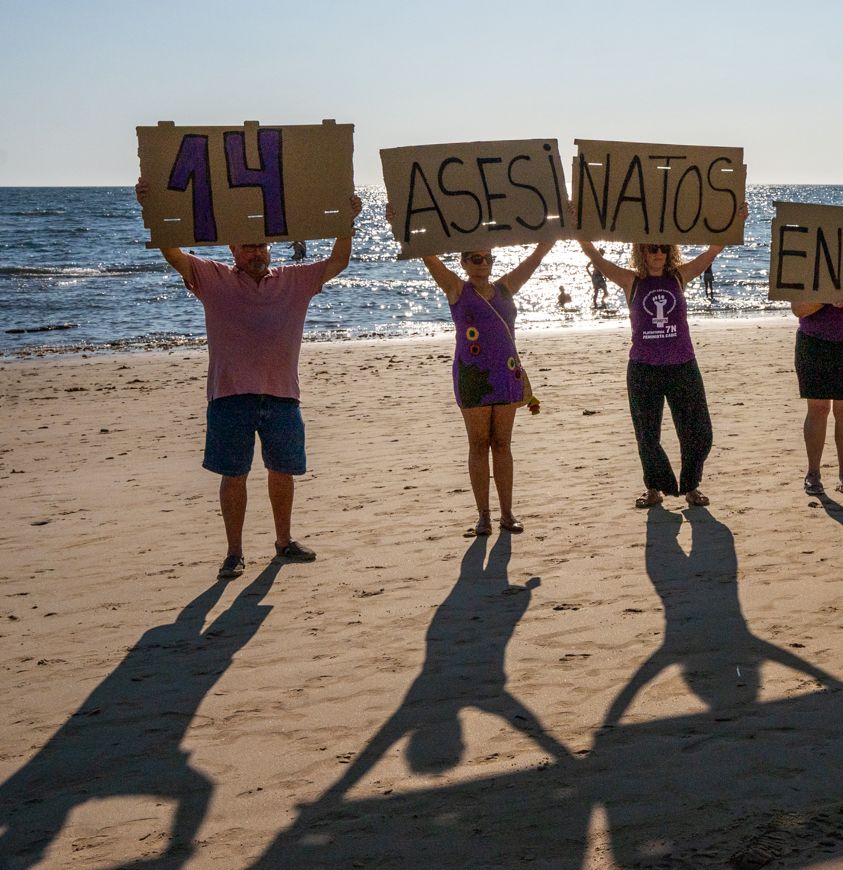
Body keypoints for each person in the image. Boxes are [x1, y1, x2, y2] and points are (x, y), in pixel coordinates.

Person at [136, 178, 360, 580]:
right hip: (229, 395)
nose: (256, 251)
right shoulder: (212, 278)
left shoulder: (294, 279)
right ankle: (234, 553)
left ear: (269, 246)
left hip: (282, 395)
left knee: (283, 472)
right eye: (247, 246)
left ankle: (284, 542)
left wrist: (347, 221)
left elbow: (338, 262)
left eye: (261, 244)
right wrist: (151, 207)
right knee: (233, 475)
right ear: (232, 250)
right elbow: (171, 251)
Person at [393, 217, 555, 536]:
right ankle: (484, 516)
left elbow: (537, 256)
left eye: (488, 258)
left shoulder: (506, 287)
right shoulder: (457, 289)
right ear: (464, 262)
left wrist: (562, 224)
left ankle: (507, 514)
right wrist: (401, 223)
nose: (483, 264)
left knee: (503, 444)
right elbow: (426, 254)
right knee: (479, 445)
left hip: (507, 375)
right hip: (473, 376)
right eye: (476, 259)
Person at [576, 211, 745, 508]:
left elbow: (713, 250)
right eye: (652, 247)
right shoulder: (631, 280)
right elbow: (593, 254)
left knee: (699, 432)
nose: (658, 252)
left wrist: (735, 219)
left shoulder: (679, 276)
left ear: (670, 250)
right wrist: (576, 222)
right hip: (644, 368)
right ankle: (654, 488)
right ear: (641, 250)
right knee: (647, 435)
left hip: (682, 365)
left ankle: (691, 486)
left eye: (663, 247)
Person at [790, 300, 843, 495]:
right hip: (813, 340)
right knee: (818, 409)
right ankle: (813, 473)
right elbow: (798, 309)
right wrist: (828, 298)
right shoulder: (805, 268)